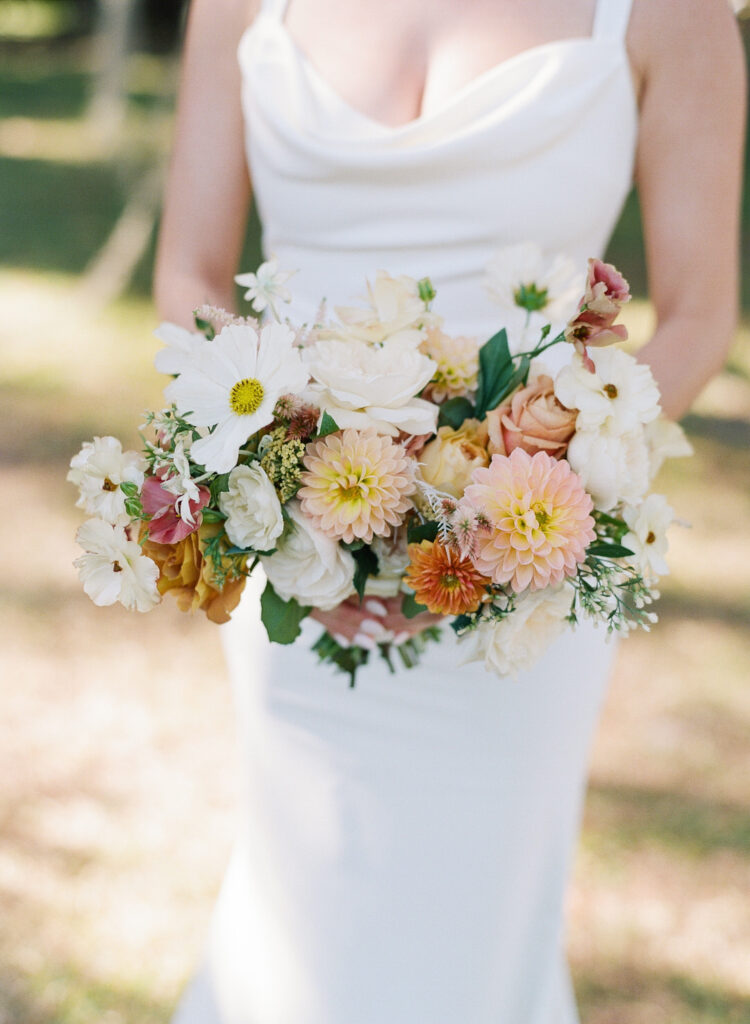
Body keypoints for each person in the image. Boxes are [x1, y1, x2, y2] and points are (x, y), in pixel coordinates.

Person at [155, 1, 745, 1021]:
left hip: (526, 566)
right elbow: (190, 274)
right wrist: (286, 489)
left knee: (475, 929)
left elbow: (696, 315)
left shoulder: (671, 16)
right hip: (303, 553)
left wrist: (531, 501)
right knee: (302, 915)